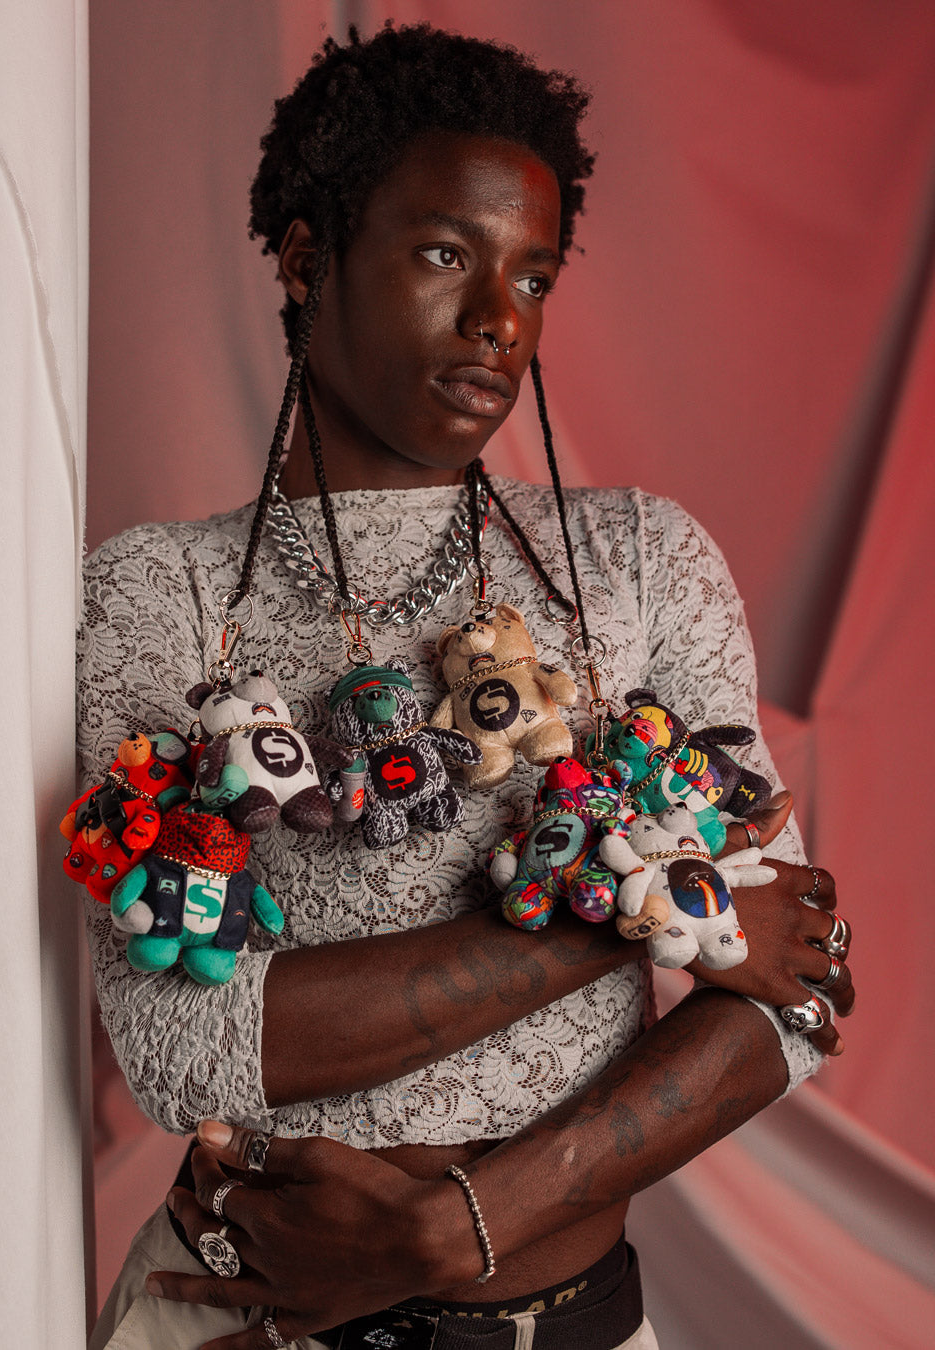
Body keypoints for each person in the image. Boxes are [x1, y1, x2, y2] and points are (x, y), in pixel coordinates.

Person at [80, 24, 855, 1350]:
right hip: (241, 1325)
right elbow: (182, 1048)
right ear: (308, 258)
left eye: (533, 274)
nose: (501, 316)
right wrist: (644, 912)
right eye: (447, 254)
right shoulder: (158, 593)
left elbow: (790, 992)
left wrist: (463, 1225)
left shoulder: (638, 563)